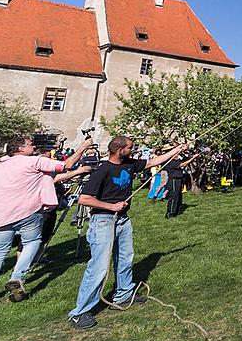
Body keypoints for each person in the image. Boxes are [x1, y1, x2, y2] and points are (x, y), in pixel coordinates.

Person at [68, 137, 188, 329]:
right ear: (119, 150)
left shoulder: (130, 164)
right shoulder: (102, 171)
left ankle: (123, 294)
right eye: (130, 148)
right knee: (99, 267)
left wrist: (176, 149)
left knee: (125, 258)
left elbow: (152, 162)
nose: (134, 150)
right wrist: (111, 206)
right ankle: (79, 312)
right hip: (103, 221)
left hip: (123, 220)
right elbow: (84, 199)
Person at [0, 135, 81, 307]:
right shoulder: (34, 162)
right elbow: (65, 166)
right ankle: (17, 276)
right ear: (20, 149)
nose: (33, 146)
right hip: (29, 213)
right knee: (32, 243)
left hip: (1, 215)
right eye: (30, 144)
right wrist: (84, 146)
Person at [163, 150, 196, 218]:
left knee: (178, 197)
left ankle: (176, 211)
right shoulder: (170, 162)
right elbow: (183, 164)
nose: (177, 155)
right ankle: (170, 213)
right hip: (174, 180)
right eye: (175, 154)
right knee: (173, 197)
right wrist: (193, 158)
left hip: (178, 180)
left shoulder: (175, 161)